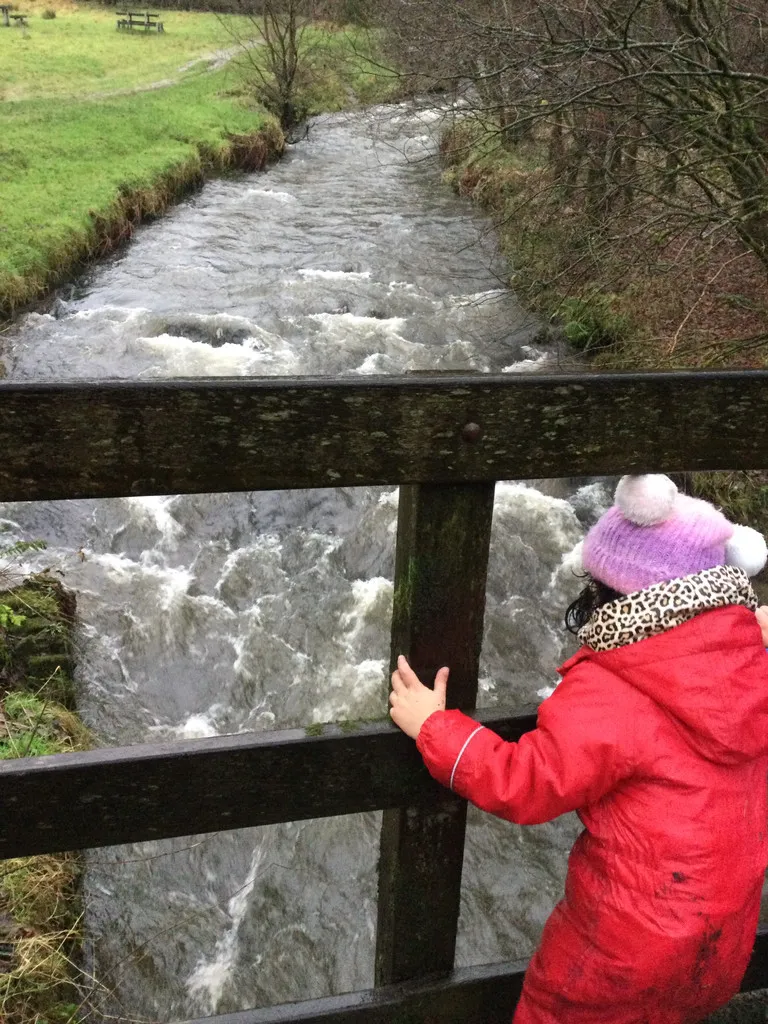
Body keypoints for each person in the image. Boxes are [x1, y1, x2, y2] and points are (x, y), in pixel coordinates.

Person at [389, 474, 768, 1024]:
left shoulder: (612, 689)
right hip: (721, 946)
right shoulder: (750, 663)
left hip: (623, 952)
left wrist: (436, 727)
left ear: (614, 590)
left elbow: (524, 781)